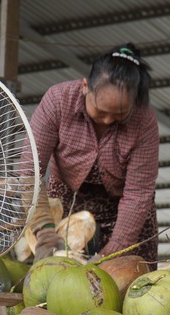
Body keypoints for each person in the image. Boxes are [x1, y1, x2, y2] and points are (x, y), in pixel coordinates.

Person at [26, 43, 160, 267]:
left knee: (126, 283)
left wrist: (112, 253)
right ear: (86, 86)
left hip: (125, 214)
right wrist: (45, 230)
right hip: (69, 204)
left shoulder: (144, 123)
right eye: (100, 111)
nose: (107, 121)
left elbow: (138, 194)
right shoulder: (58, 102)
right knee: (61, 278)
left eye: (119, 116)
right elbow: (30, 170)